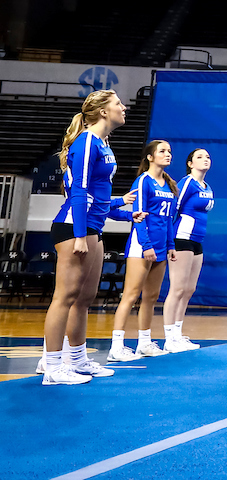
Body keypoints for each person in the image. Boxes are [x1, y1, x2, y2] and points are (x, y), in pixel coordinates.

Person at [42, 91, 132, 385]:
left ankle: (78, 360)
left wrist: (123, 207)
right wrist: (80, 236)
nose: (124, 107)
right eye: (118, 103)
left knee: (85, 298)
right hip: (73, 228)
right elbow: (78, 191)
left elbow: (98, 197)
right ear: (103, 111)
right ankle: (53, 366)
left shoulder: (104, 143)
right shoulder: (86, 142)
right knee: (64, 297)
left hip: (92, 227)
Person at [108, 141, 179, 362]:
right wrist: (147, 246)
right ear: (149, 157)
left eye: (169, 152)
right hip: (142, 245)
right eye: (162, 151)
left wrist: (170, 246)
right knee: (130, 295)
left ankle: (144, 343)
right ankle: (116, 346)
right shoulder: (143, 182)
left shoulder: (169, 184)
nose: (167, 155)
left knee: (151, 297)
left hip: (160, 247)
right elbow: (138, 216)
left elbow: (168, 220)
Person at [163, 148, 215, 353]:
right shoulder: (186, 183)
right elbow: (173, 209)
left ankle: (178, 332)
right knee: (177, 288)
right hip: (181, 238)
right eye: (200, 157)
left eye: (208, 156)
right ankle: (169, 338)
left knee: (189, 289)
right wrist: (170, 242)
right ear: (190, 163)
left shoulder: (207, 186)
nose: (205, 160)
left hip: (197, 241)